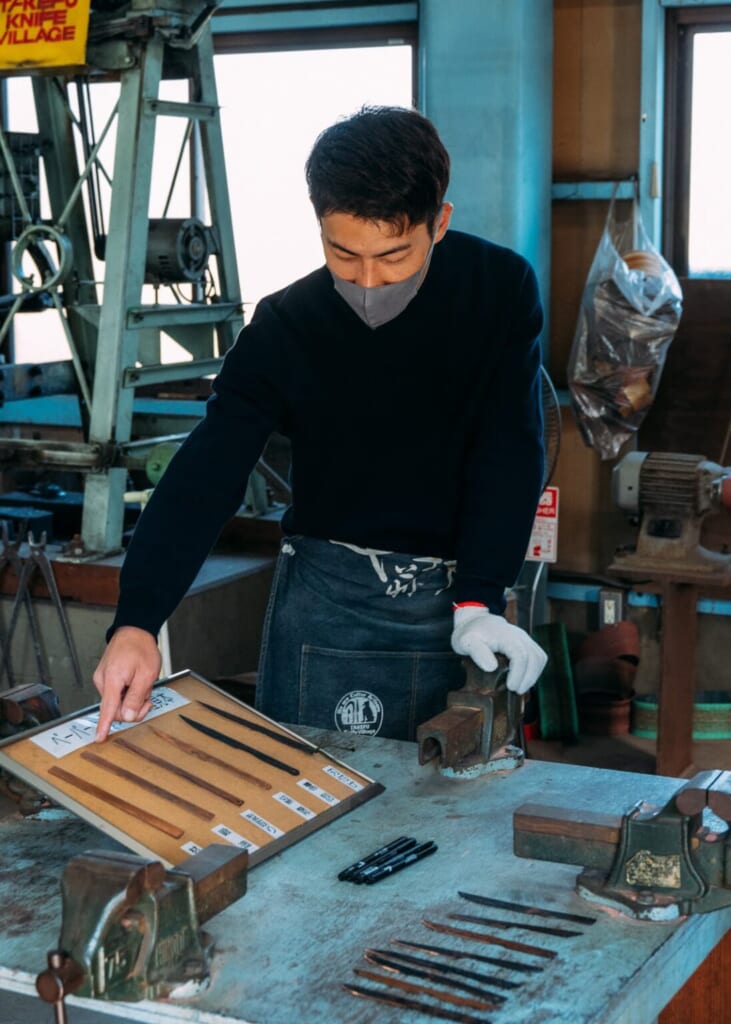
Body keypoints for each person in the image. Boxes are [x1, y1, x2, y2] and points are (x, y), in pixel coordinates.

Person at [93, 105, 547, 743]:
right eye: (343, 253)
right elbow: (209, 469)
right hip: (326, 605)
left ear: (437, 224)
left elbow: (510, 447)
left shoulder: (497, 291)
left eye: (393, 256)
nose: (367, 282)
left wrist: (480, 599)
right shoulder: (288, 324)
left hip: (455, 600)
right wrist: (137, 620)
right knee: (309, 798)